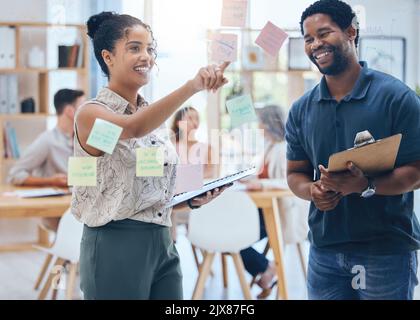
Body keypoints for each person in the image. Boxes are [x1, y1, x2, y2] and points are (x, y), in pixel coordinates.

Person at [73, 11, 230, 300]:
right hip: (114, 245)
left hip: (162, 242)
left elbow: (144, 187)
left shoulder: (151, 122)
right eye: (134, 48)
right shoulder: (91, 115)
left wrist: (188, 200)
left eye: (150, 49)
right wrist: (192, 86)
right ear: (108, 57)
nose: (146, 56)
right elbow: (132, 128)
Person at [286, 0, 420, 300]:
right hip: (324, 251)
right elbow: (295, 174)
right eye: (309, 39)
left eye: (324, 33)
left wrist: (365, 185)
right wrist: (313, 192)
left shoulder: (396, 98)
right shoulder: (300, 110)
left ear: (351, 31)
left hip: (386, 250)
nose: (316, 44)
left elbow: (416, 172)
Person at [240, 105, 309, 299]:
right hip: (264, 211)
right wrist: (248, 178)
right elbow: (262, 175)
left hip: (278, 214)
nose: (258, 125)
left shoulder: (283, 148)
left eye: (260, 121)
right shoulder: (269, 146)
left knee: (235, 237)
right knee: (232, 235)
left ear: (269, 123)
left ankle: (267, 269)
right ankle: (267, 269)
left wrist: (260, 185)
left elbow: (288, 182)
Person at [8, 88, 85, 231]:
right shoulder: (48, 140)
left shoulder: (86, 140)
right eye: (83, 106)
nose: (88, 110)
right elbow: (15, 175)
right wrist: (50, 181)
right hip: (60, 213)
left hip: (83, 207)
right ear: (69, 111)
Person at [171, 106, 217, 179]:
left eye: (197, 119)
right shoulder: (170, 148)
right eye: (190, 118)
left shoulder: (208, 148)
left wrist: (189, 179)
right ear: (179, 123)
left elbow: (210, 173)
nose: (195, 122)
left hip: (200, 189)